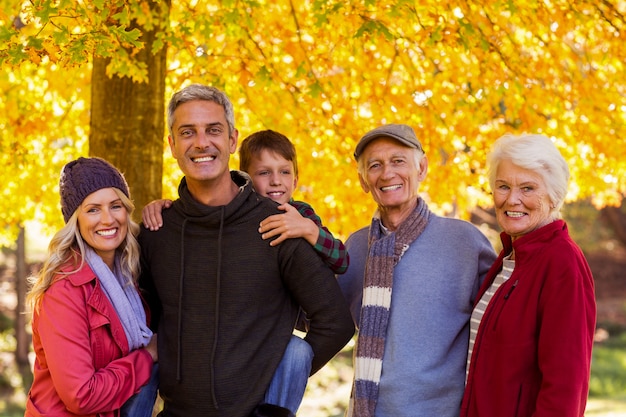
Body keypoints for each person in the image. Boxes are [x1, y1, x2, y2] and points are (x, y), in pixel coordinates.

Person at [137, 83, 355, 417]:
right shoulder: (157, 230)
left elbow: (335, 323)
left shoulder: (279, 225)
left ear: (232, 139)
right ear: (172, 145)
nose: (201, 142)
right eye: (187, 132)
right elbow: (142, 321)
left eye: (213, 130)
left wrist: (275, 387)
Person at [337, 124, 497, 417]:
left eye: (398, 161)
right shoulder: (356, 248)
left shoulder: (465, 242)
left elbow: (502, 325)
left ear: (421, 168)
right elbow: (323, 317)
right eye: (375, 165)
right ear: (363, 181)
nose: (387, 174)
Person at [460, 133, 596, 417]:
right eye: (503, 186)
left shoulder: (562, 262)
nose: (512, 199)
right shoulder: (510, 256)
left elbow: (564, 389)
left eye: (528, 188)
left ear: (554, 195)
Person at [25, 157, 159, 417]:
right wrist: (147, 357)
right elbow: (81, 395)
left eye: (115, 206)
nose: (107, 219)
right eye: (93, 209)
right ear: (76, 220)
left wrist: (162, 208)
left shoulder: (127, 275)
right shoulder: (64, 291)